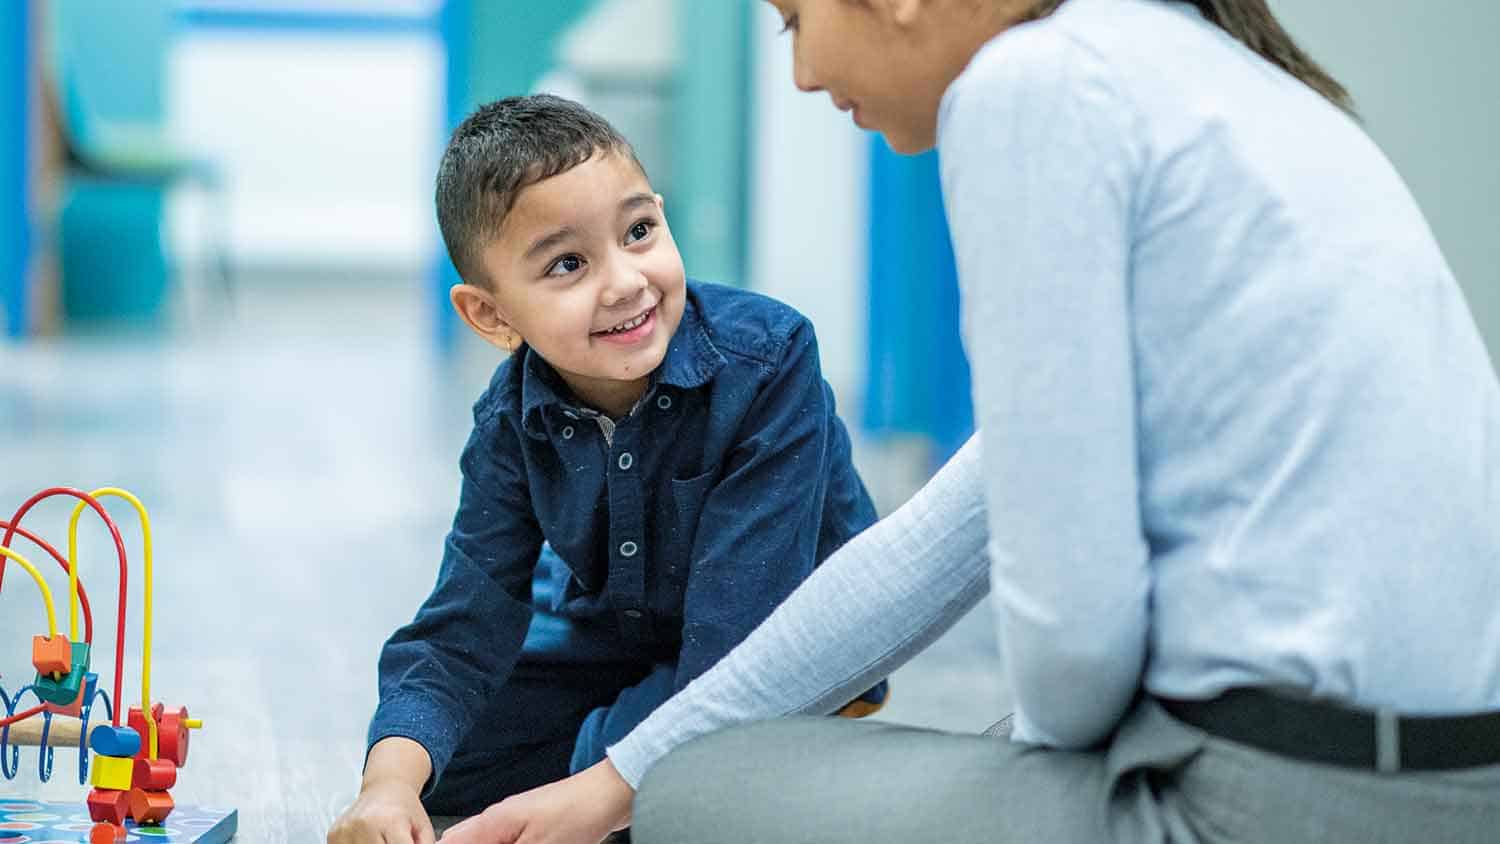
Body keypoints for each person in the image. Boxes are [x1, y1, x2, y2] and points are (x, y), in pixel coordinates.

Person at [437, 0, 1500, 842]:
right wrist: (615, 775)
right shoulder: (1200, 65)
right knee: (695, 764)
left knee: (706, 792)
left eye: (797, 21)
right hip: (1463, 785)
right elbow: (934, 545)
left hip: (1273, 804)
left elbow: (1072, 675)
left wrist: (643, 782)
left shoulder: (1028, 90)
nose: (804, 73)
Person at [325, 94, 885, 844]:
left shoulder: (770, 360)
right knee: (444, 764)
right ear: (492, 317)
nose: (625, 282)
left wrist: (600, 775)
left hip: (762, 638)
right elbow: (464, 622)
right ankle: (641, 744)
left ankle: (766, 733)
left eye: (639, 231)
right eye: (567, 263)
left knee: (644, 763)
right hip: (621, 632)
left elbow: (742, 638)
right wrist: (388, 786)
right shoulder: (509, 419)